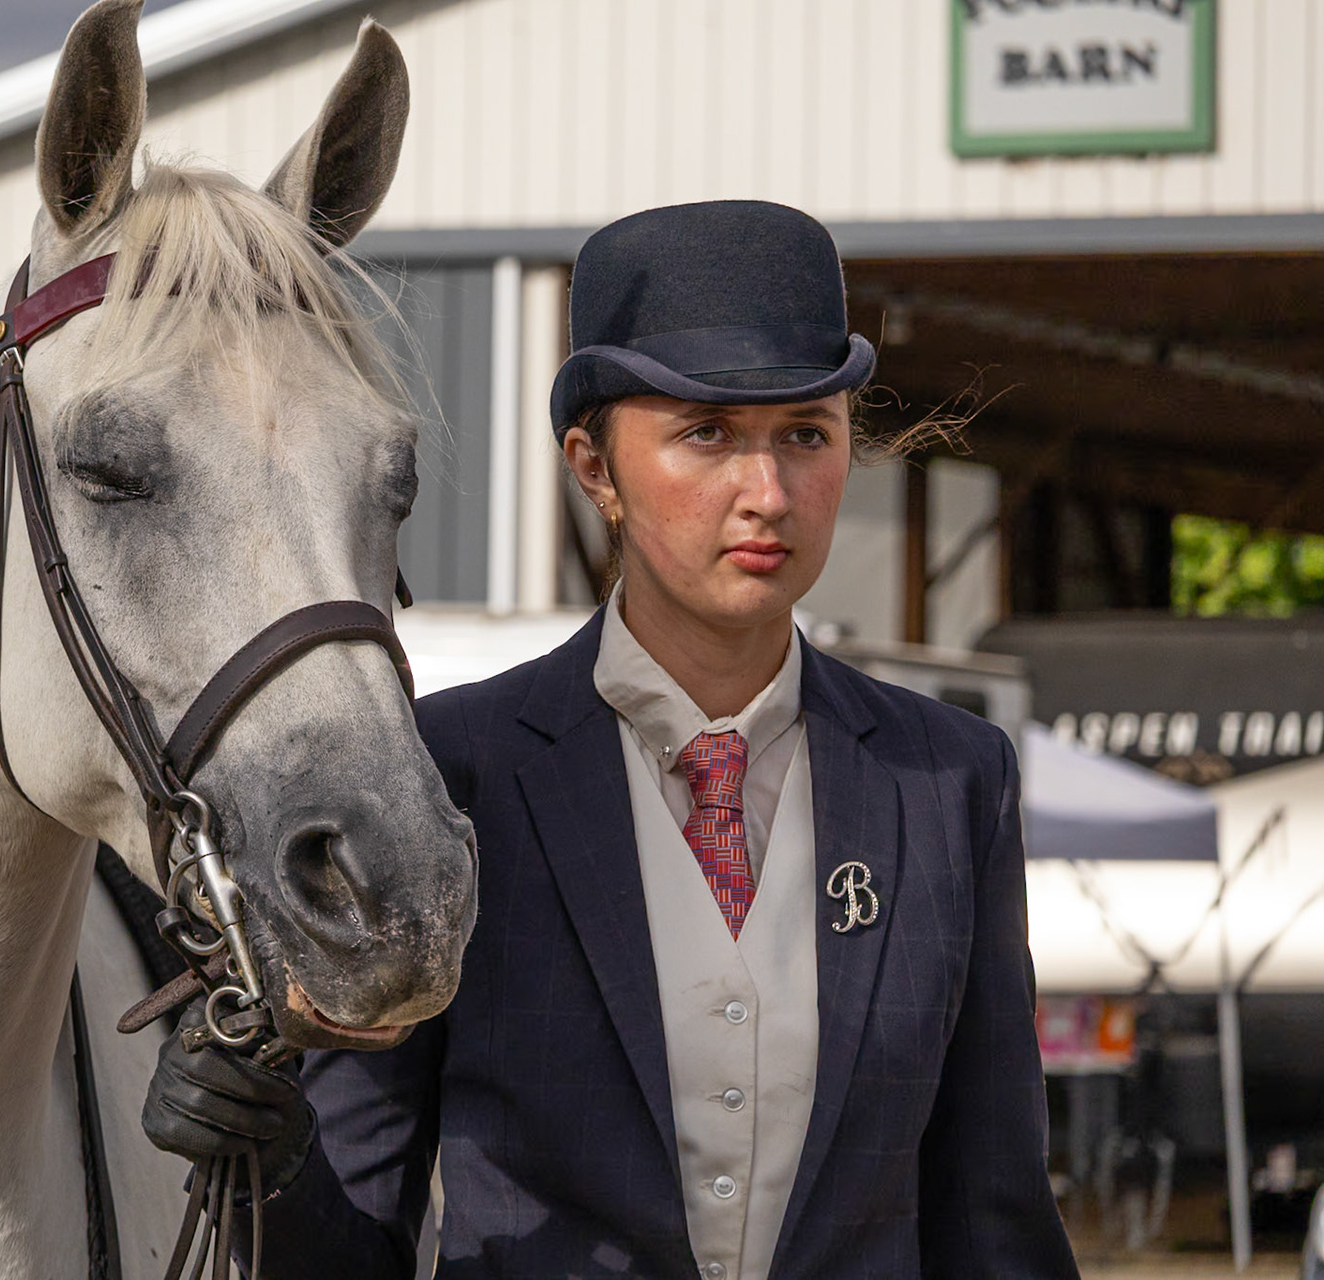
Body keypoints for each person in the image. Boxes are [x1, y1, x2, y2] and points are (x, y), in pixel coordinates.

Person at [142, 200, 1081, 1279]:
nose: (766, 493)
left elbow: (996, 1220)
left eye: (805, 436)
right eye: (706, 435)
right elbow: (355, 1247)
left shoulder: (950, 779)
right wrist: (266, 1148)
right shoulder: (455, 776)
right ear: (593, 467)